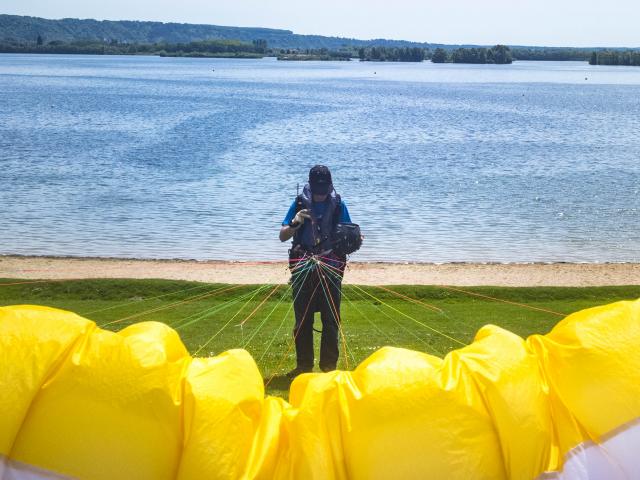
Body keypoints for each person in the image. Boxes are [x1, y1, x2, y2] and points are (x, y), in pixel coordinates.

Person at [280, 165, 353, 377]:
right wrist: (296, 222)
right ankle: (303, 367)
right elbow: (282, 236)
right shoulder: (299, 204)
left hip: (331, 271)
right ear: (311, 187)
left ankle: (329, 368)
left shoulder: (339, 206)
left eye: (324, 191)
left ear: (329, 187)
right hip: (303, 270)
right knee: (303, 319)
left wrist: (354, 239)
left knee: (331, 319)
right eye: (317, 191)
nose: (321, 196)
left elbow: (349, 237)